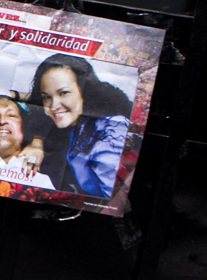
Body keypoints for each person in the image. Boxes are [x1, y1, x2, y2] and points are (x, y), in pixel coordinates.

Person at [28, 54, 133, 200]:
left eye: (63, 93)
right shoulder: (77, 124)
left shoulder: (109, 133)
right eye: (47, 97)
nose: (54, 106)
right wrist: (37, 140)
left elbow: (118, 203)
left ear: (85, 91)